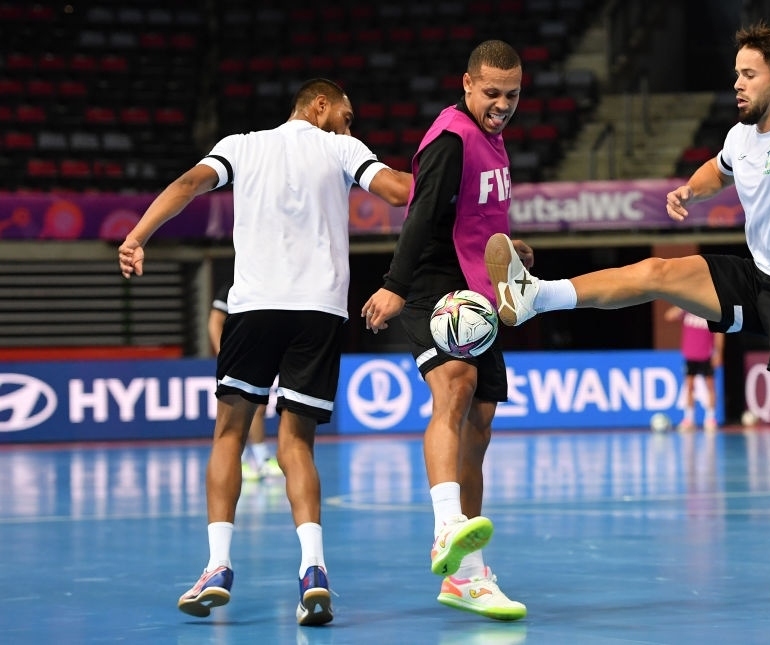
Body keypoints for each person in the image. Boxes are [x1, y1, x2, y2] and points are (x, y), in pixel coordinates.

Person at [484, 23, 770, 623]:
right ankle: (536, 295)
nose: (737, 85)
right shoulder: (741, 135)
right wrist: (690, 191)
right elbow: (719, 168)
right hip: (760, 276)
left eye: (748, 75)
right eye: (735, 75)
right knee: (657, 270)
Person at [118, 78, 411, 626]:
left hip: (253, 308)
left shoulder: (240, 145)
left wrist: (138, 235)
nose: (352, 128)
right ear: (319, 105)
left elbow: (186, 184)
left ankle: (217, 566)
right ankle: (314, 572)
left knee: (229, 434)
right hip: (320, 311)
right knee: (295, 445)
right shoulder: (342, 148)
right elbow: (398, 191)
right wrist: (455, 188)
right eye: (346, 116)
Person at [361, 40, 528, 621]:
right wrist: (394, 285)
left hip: (480, 287)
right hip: (435, 280)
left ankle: (467, 576)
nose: (502, 104)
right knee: (454, 388)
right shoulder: (453, 137)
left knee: (481, 419)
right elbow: (424, 214)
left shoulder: (495, 140)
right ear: (466, 84)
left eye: (511, 94)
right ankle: (446, 524)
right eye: (491, 93)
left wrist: (509, 251)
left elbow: (477, 215)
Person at [208, 281, 284, 481]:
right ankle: (250, 460)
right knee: (238, 412)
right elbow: (214, 321)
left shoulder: (271, 281)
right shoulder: (235, 283)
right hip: (238, 356)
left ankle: (258, 459)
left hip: (261, 352)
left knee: (257, 408)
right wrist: (223, 354)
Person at [664, 305, 724, 431]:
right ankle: (689, 419)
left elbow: (719, 333)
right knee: (689, 386)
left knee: (710, 386)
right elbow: (668, 316)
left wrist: (718, 352)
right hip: (690, 354)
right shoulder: (687, 309)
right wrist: (682, 304)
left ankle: (710, 419)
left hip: (707, 354)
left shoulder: (710, 312)